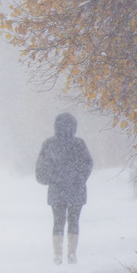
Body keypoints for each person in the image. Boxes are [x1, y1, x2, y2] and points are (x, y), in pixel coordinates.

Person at [35, 113, 93, 264]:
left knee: (58, 222)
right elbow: (87, 163)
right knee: (74, 222)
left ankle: (58, 254)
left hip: (57, 189)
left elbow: (41, 165)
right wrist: (80, 178)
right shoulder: (79, 144)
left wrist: (50, 178)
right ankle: (72, 253)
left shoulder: (49, 144)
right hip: (76, 189)